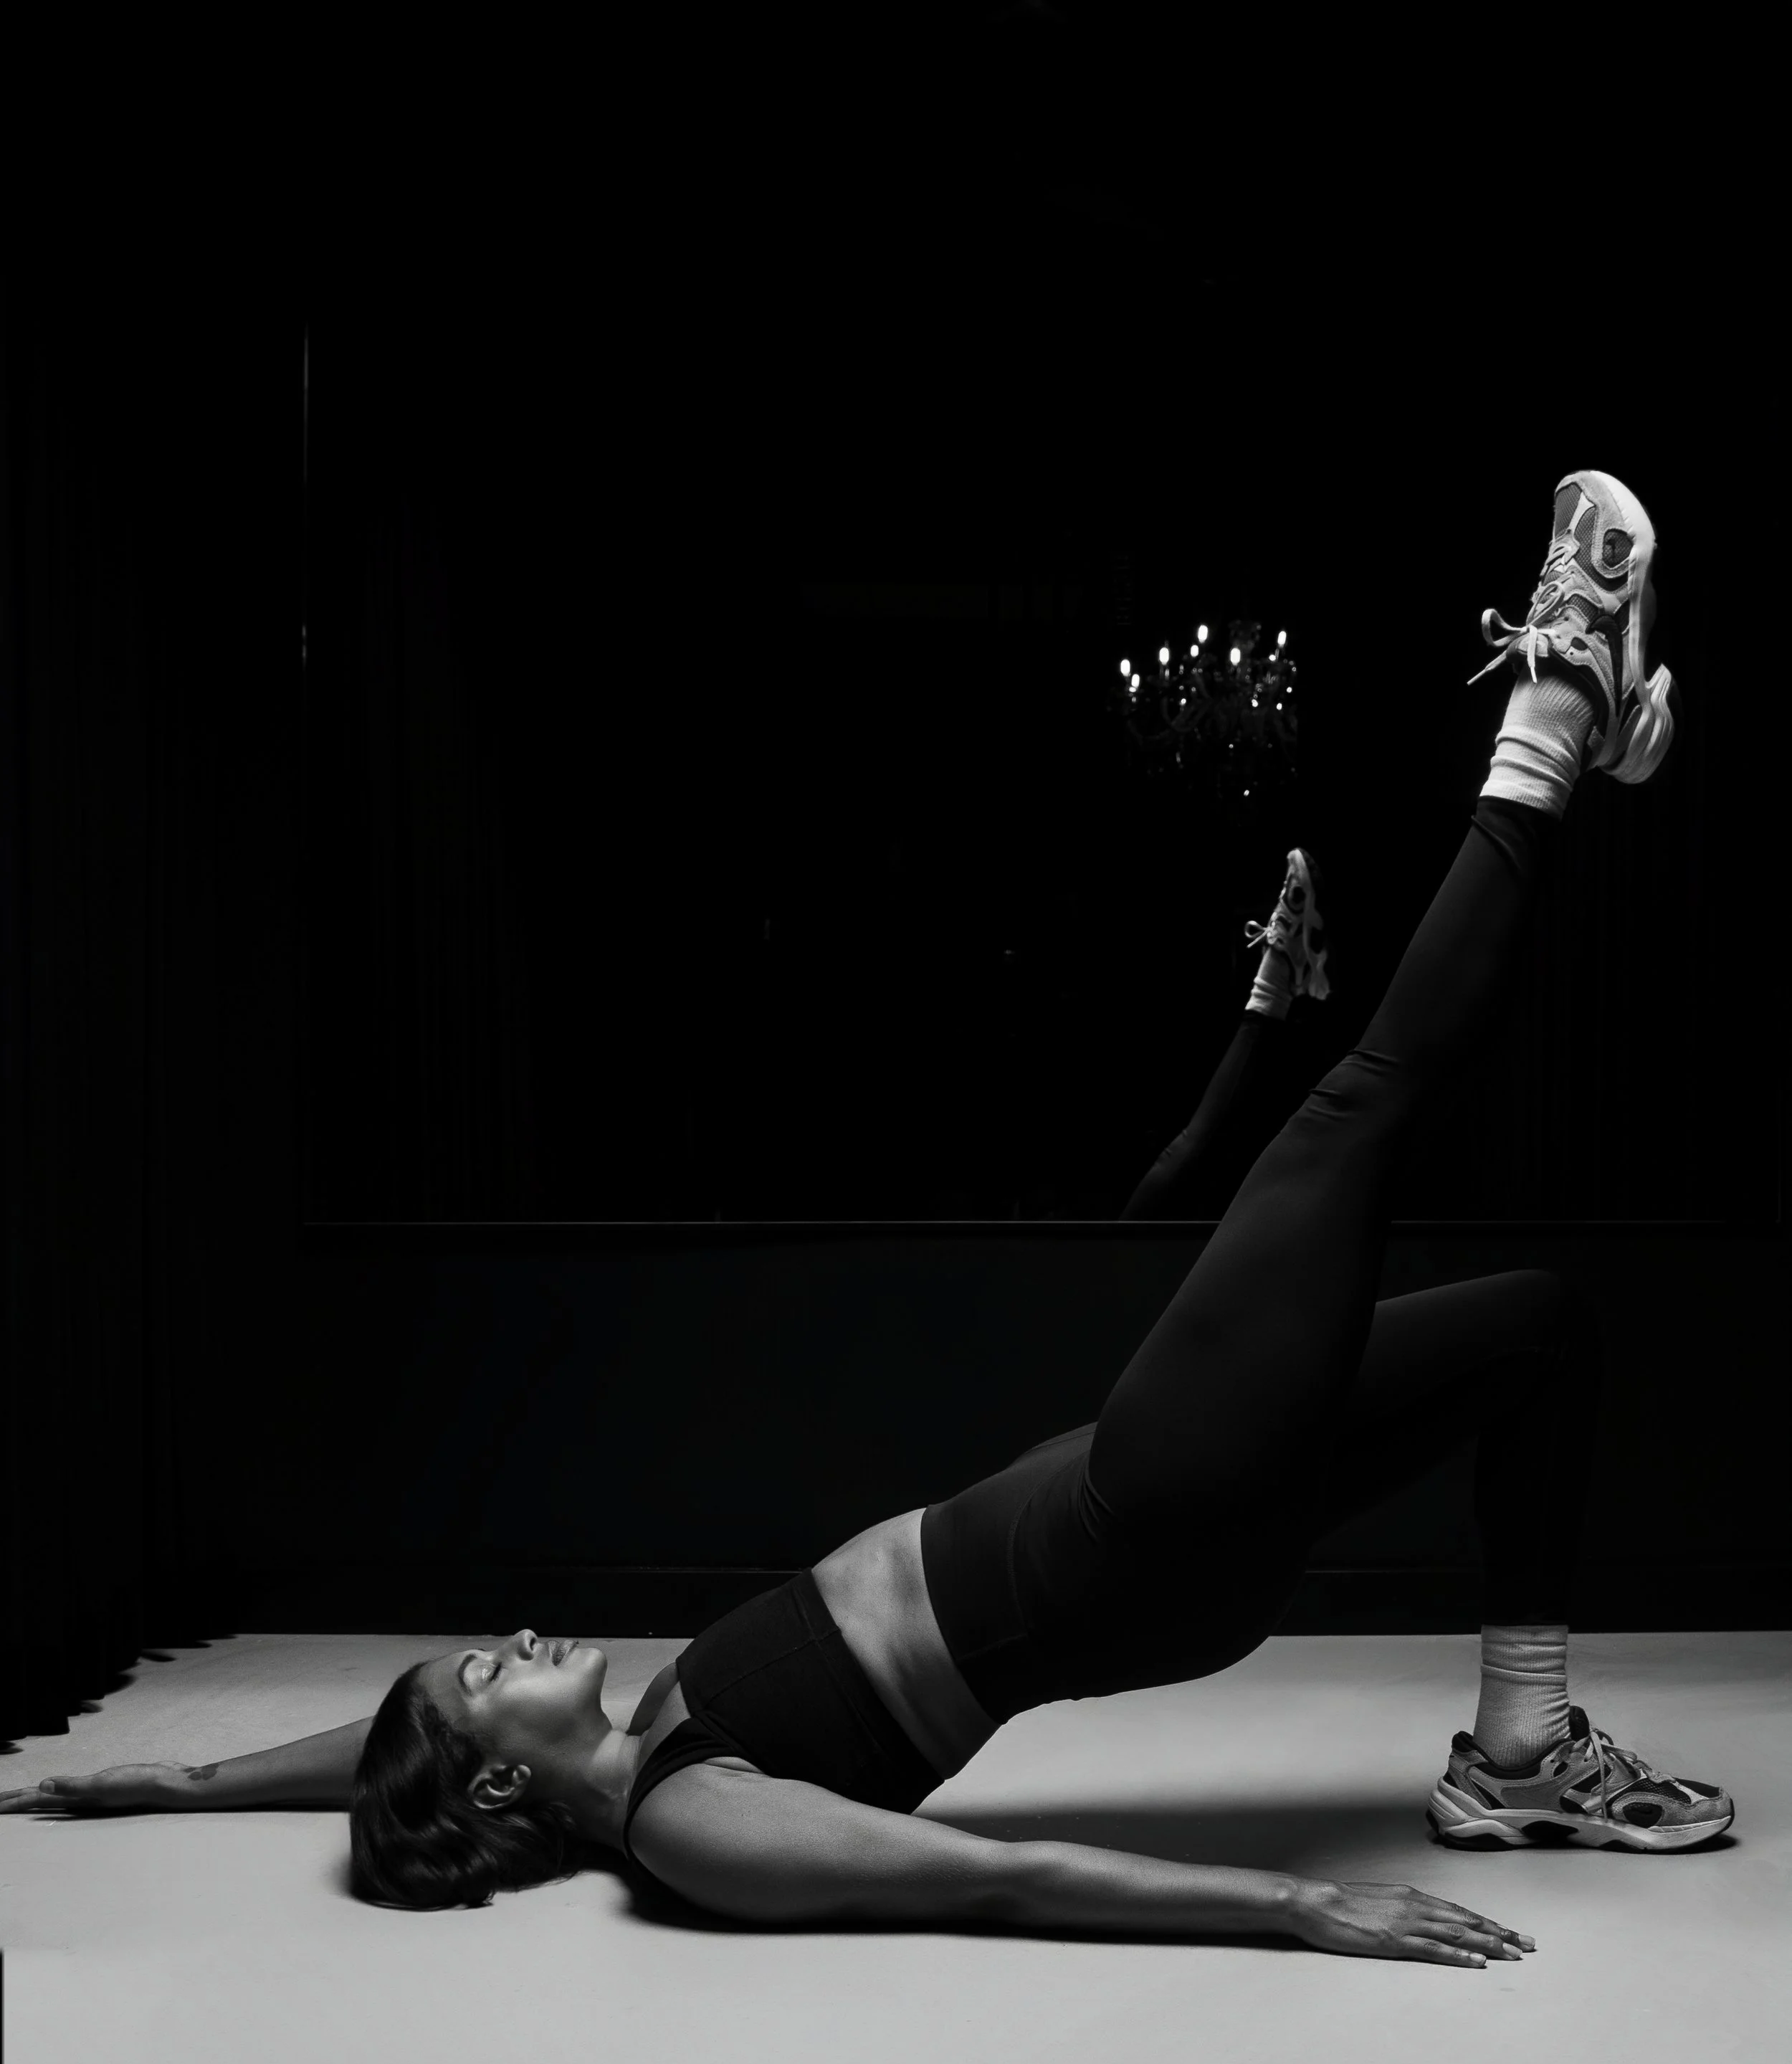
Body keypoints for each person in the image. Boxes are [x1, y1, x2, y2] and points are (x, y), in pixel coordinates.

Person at [2, 471, 1733, 1969]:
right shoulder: (690, 1824)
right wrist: (1295, 1909)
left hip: (1144, 1510)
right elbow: (989, 1880)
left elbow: (382, 1741)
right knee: (1356, 1103)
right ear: (508, 1778)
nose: (510, 1636)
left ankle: (1514, 1750)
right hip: (1144, 1519)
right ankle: (1553, 703)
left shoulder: (646, 1718)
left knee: (1535, 1327)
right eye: (483, 1669)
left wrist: (176, 1778)